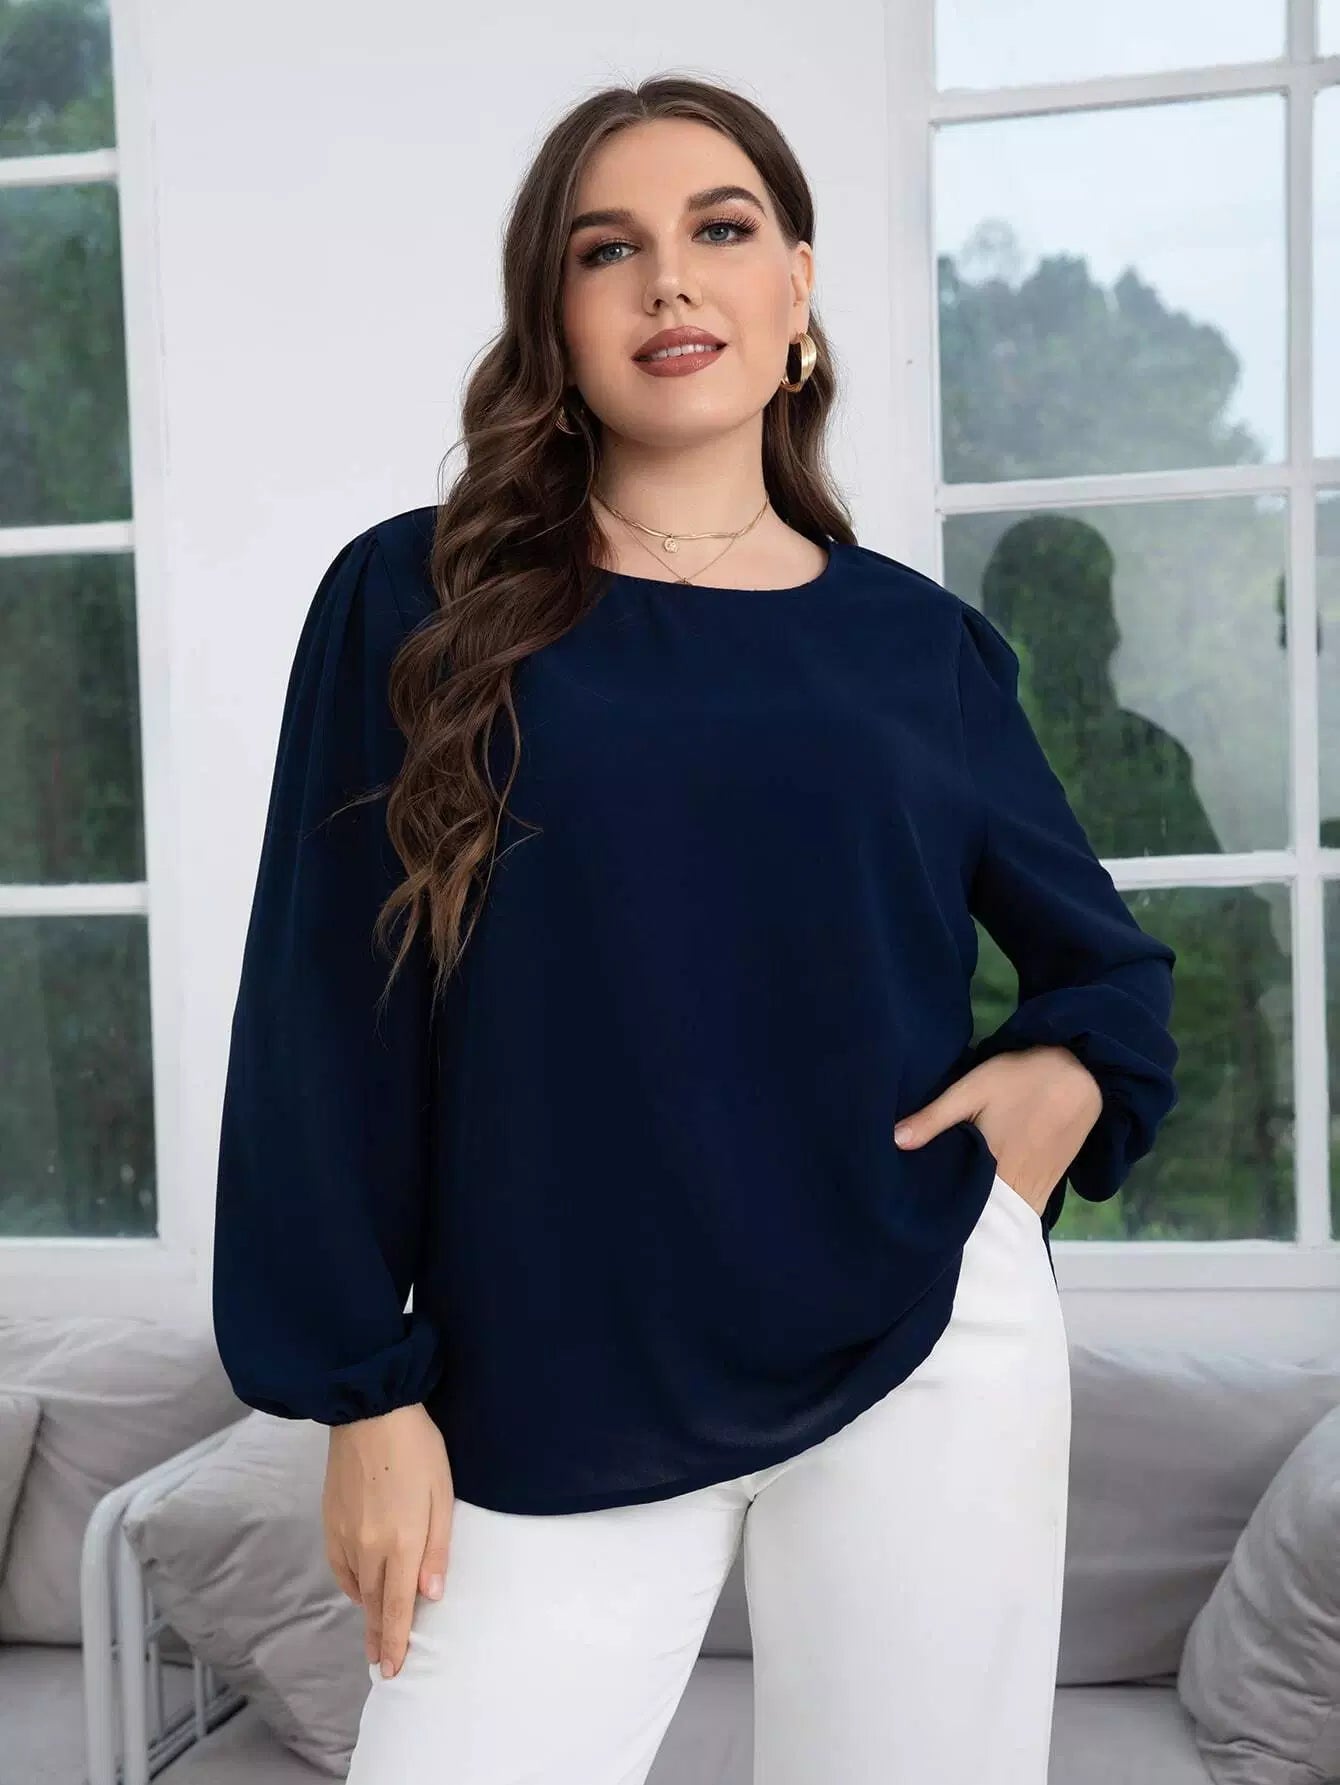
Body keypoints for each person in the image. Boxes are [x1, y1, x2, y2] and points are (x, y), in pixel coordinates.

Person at [211, 74, 1179, 1785]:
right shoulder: (413, 603)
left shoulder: (918, 650)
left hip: (922, 1345)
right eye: (609, 249)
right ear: (554, 314)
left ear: (796, 286)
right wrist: (364, 1392)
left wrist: (1049, 1109)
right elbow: (320, 1019)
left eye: (720, 230)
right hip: (551, 1375)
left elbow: (1109, 967)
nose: (670, 278)